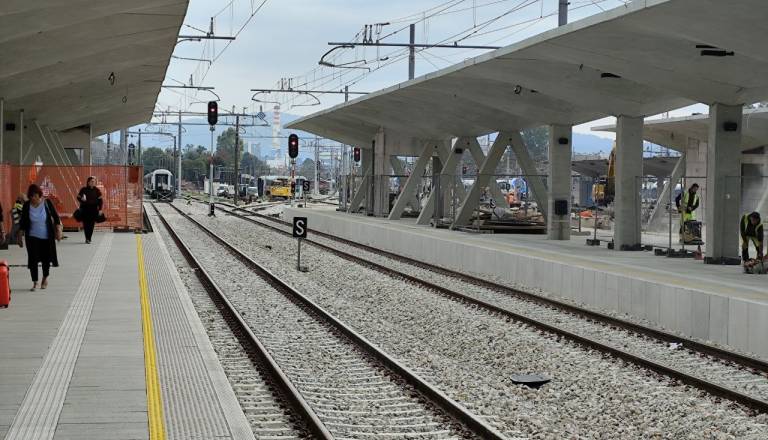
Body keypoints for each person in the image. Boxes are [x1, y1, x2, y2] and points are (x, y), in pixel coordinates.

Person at [18, 184, 61, 290]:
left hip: (46, 237)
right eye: (31, 196)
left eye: (35, 195)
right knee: (33, 259)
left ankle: (45, 277)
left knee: (46, 259)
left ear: (39, 195)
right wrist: (20, 235)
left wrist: (59, 230)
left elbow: (56, 218)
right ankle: (35, 282)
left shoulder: (47, 203)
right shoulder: (27, 205)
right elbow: (23, 222)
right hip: (32, 237)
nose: (33, 198)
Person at [77, 176, 103, 244]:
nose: (93, 182)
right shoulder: (83, 189)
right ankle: (87, 238)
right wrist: (81, 199)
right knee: (86, 224)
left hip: (93, 209)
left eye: (94, 181)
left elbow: (100, 201)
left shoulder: (97, 190)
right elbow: (78, 197)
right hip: (85, 209)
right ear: (88, 182)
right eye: (92, 181)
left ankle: (89, 238)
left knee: (91, 225)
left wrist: (100, 209)